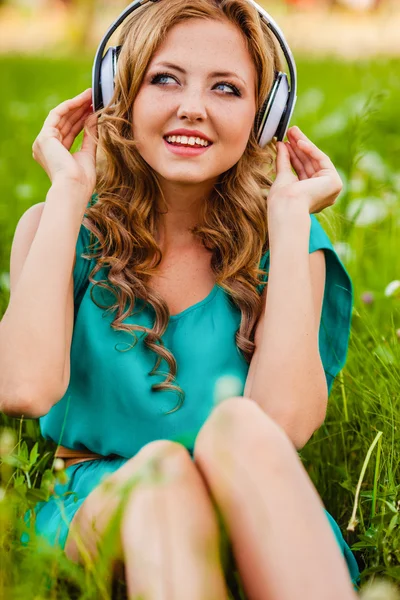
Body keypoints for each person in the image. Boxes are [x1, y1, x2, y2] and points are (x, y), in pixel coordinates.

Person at [1, 0, 360, 597]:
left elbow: (284, 426)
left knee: (241, 427)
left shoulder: (291, 245)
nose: (192, 107)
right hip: (101, 503)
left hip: (249, 505)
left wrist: (291, 218)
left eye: (226, 88)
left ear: (264, 117)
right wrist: (69, 190)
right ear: (118, 94)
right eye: (165, 79)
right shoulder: (60, 228)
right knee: (163, 479)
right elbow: (22, 387)